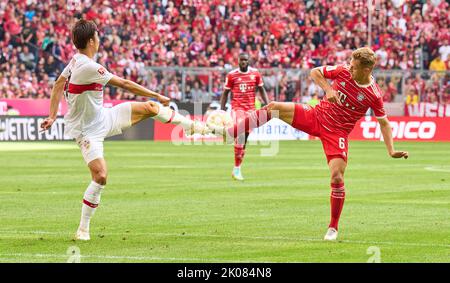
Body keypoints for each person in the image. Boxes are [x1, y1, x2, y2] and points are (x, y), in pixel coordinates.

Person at [209, 47, 409, 240]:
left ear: (367, 70)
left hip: (337, 132)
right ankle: (230, 133)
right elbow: (315, 72)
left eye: (354, 67)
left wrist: (391, 150)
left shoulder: (373, 94)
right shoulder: (343, 71)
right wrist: (328, 88)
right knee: (273, 108)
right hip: (315, 115)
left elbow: (384, 122)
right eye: (349, 63)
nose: (349, 67)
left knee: (337, 177)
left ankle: (333, 227)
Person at [40, 20, 210, 241]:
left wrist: (52, 115)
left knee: (150, 109)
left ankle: (192, 127)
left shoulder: (75, 61)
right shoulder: (89, 67)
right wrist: (157, 94)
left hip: (103, 117)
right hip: (86, 131)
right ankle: (83, 229)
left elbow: (57, 84)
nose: (100, 39)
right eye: (98, 36)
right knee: (100, 176)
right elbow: (125, 84)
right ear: (91, 40)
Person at [219, 53, 269, 181]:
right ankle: (237, 169)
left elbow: (261, 89)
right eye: (241, 60)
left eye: (245, 60)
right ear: (238, 61)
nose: (243, 62)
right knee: (241, 135)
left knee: (244, 139)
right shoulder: (231, 75)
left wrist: (268, 104)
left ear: (248, 61)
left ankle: (237, 166)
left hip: (251, 110)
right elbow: (225, 93)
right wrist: (222, 109)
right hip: (237, 109)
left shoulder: (255, 74)